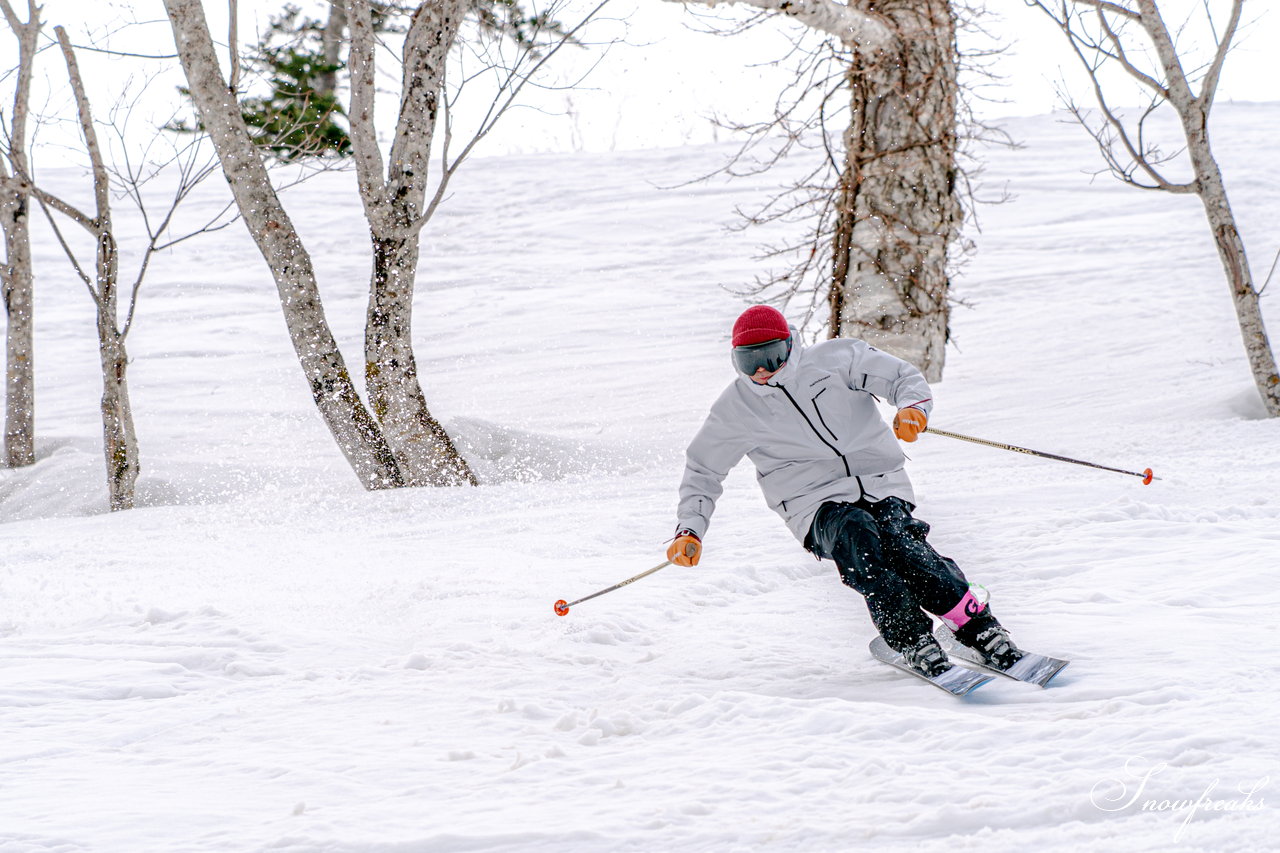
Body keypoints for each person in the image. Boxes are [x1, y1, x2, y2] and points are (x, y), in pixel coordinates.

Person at [667, 305, 1023, 678]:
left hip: (880, 480)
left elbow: (901, 377)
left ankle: (979, 628)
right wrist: (689, 529)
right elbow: (703, 470)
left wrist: (913, 408)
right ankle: (912, 639)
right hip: (811, 504)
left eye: (769, 356)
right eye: (748, 360)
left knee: (904, 547)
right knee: (857, 537)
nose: (760, 370)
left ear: (790, 345)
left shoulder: (837, 359)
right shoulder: (735, 408)